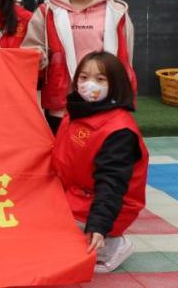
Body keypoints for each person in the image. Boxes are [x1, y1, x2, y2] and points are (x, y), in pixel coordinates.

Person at [23, 0, 137, 133]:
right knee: (63, 144)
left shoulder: (117, 12)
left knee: (100, 144)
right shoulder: (48, 11)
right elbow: (31, 47)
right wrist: (38, 55)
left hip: (105, 94)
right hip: (63, 97)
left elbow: (126, 56)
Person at [52, 51, 148, 274]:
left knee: (60, 248)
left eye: (100, 79)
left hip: (102, 203)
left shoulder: (119, 132)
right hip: (72, 194)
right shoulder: (76, 112)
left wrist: (99, 226)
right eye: (84, 77)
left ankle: (112, 246)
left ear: (115, 84)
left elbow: (111, 184)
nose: (89, 85)